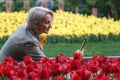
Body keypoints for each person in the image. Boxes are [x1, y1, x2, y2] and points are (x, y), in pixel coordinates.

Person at [0, 6, 84, 63]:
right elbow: (47, 64)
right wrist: (75, 59)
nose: (51, 26)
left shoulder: (26, 27)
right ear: (36, 24)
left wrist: (37, 45)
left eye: (50, 22)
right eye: (47, 23)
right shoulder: (29, 41)